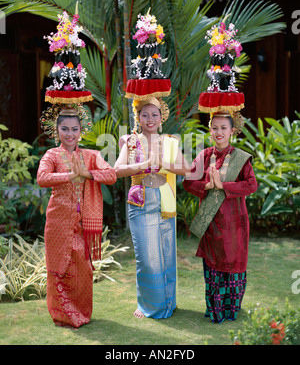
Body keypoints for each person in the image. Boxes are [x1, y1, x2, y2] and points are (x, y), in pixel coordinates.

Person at [37, 105, 117, 328]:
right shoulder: (51, 155)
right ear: (57, 130)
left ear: (81, 130)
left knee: (83, 267)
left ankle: (81, 313)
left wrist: (85, 173)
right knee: (59, 268)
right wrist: (69, 175)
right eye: (65, 129)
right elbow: (42, 178)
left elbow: (111, 175)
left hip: (84, 223)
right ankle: (62, 316)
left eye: (74, 129)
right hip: (58, 221)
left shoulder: (91, 156)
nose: (70, 134)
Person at [114, 97, 190, 319]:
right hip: (140, 201)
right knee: (146, 257)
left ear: (161, 117)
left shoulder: (169, 141)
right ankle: (146, 304)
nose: (150, 119)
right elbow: (116, 170)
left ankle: (168, 302)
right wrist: (143, 165)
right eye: (145, 114)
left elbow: (186, 169)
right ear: (138, 118)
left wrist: (162, 165)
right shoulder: (130, 141)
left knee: (166, 254)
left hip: (164, 199)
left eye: (154, 114)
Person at [183, 111, 257, 323]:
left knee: (234, 262)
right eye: (215, 127)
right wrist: (206, 185)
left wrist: (223, 186)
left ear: (232, 130)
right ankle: (215, 309)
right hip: (212, 222)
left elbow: (251, 185)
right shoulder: (205, 156)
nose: (219, 132)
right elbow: (188, 181)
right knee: (213, 263)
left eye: (224, 128)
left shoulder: (241, 158)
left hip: (235, 222)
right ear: (210, 129)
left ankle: (231, 309)